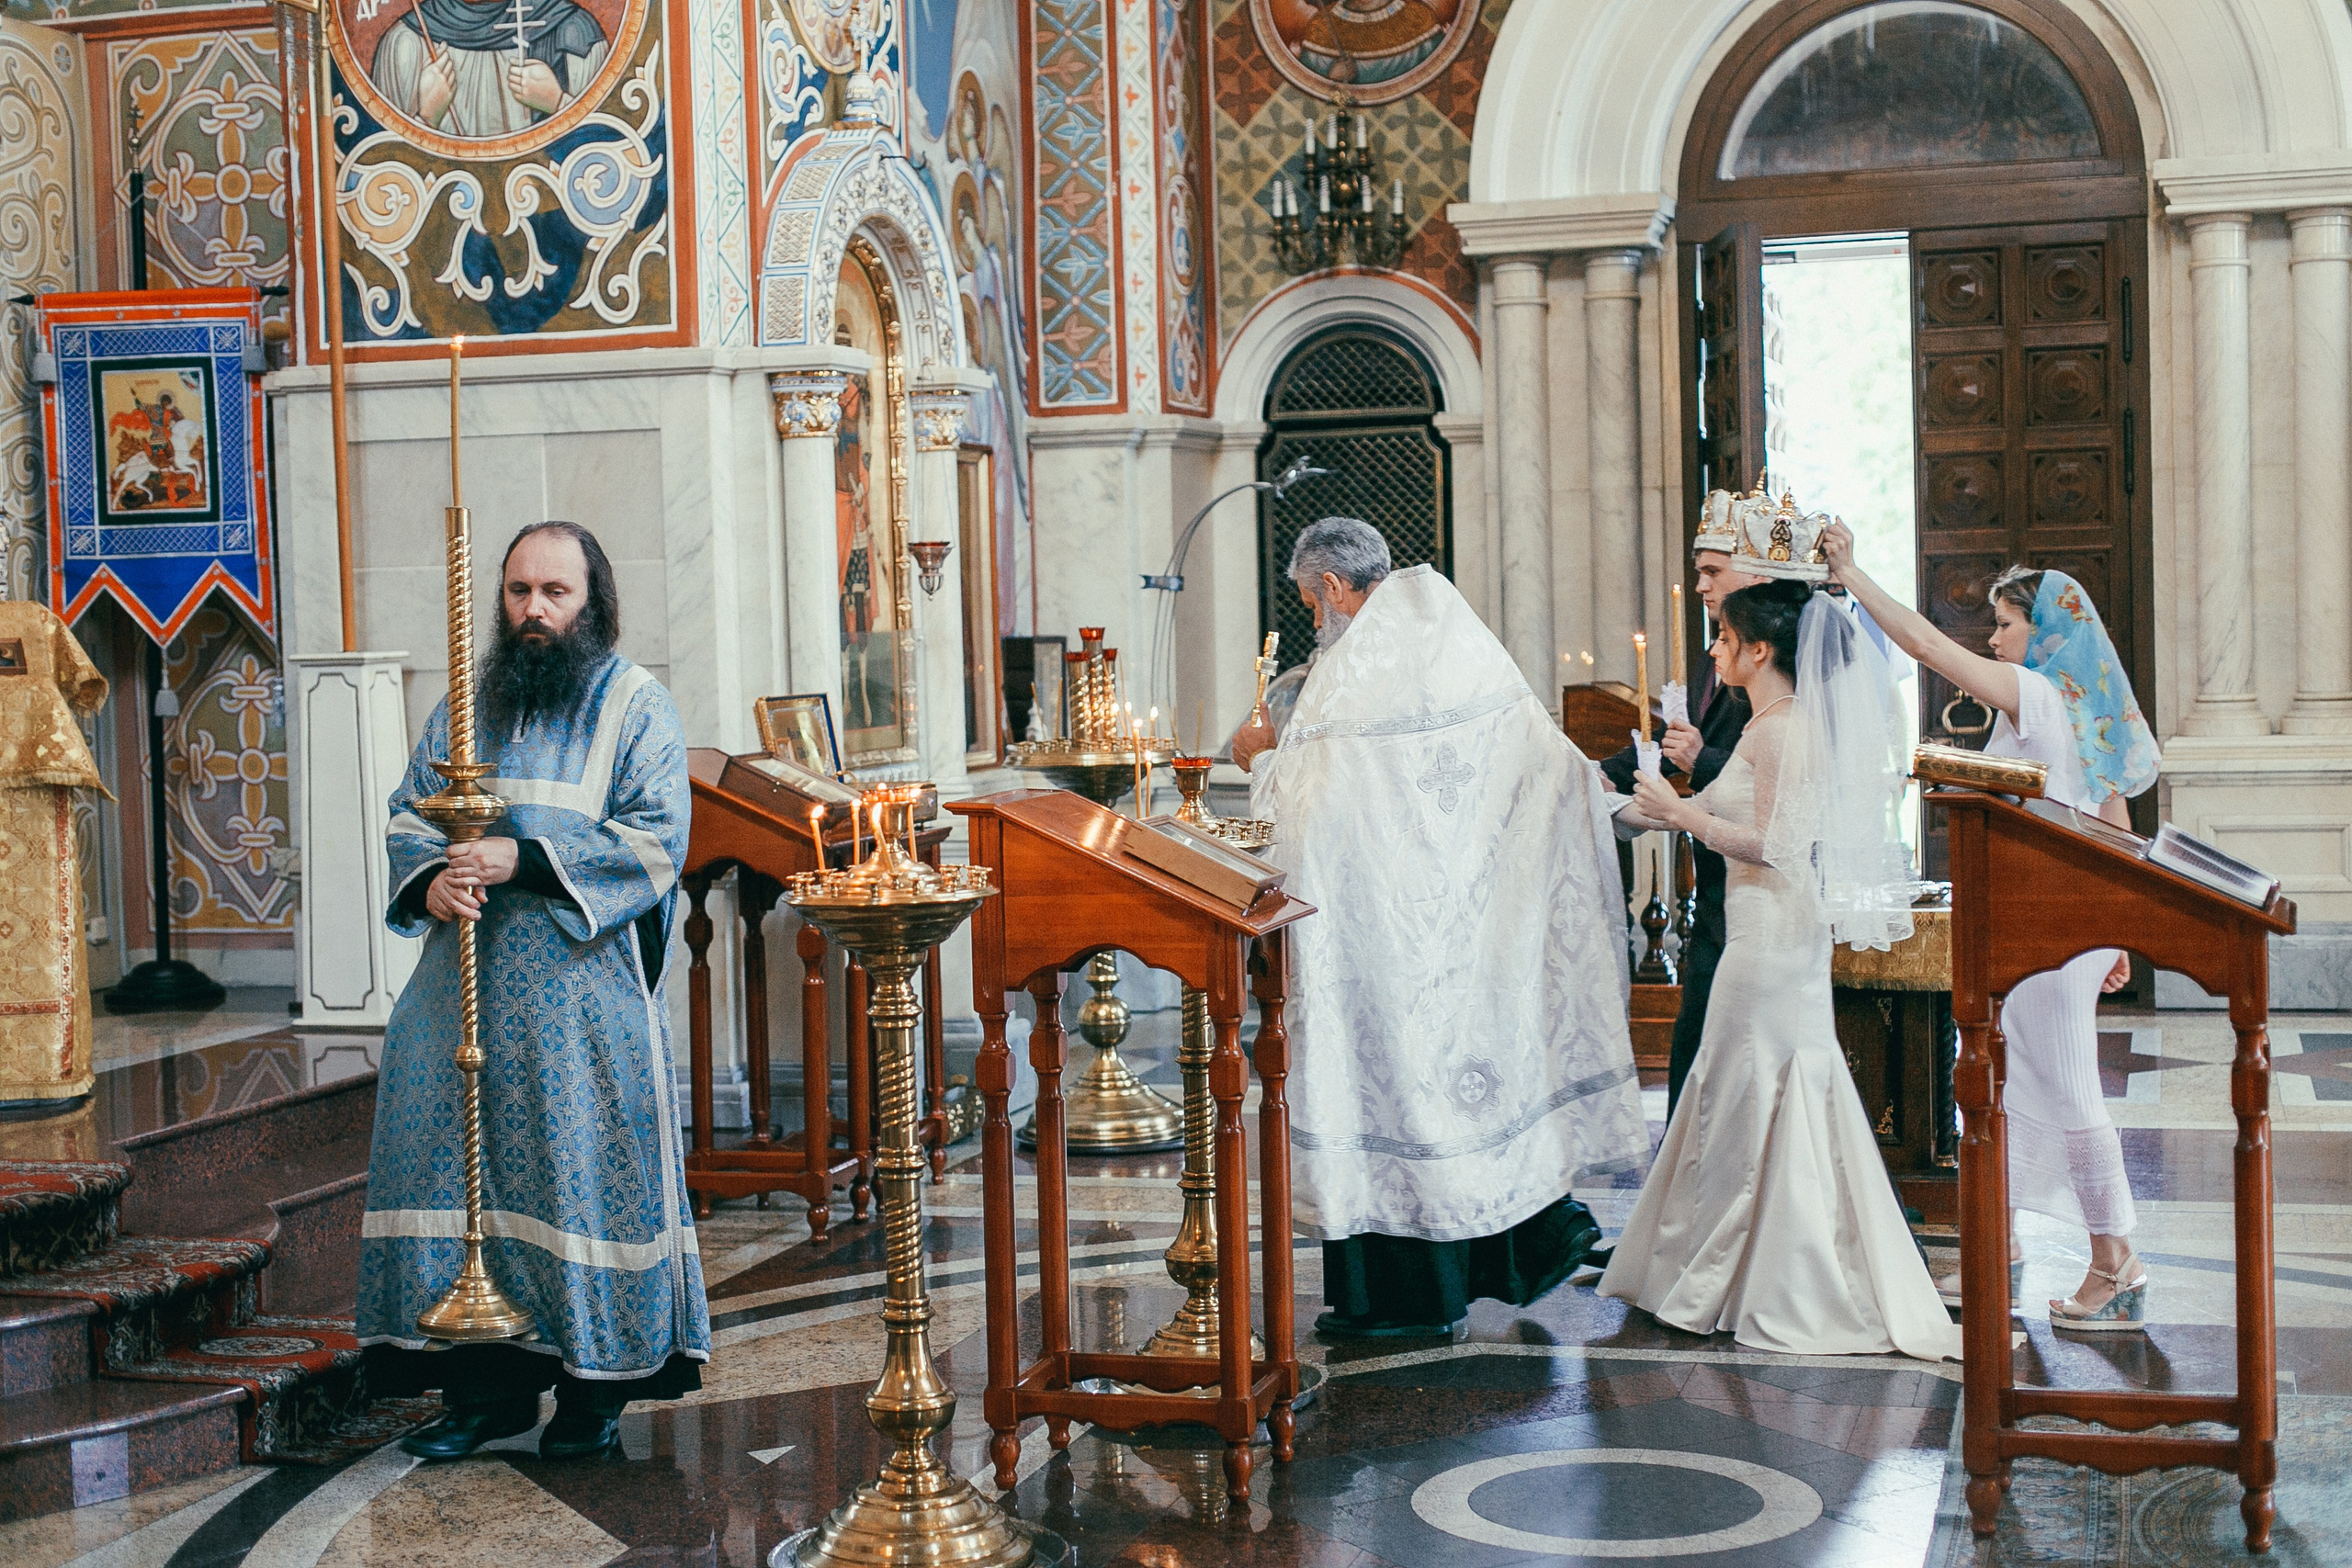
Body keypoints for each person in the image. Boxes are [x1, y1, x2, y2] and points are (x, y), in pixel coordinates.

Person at [1231, 518, 1646, 1337]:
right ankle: (1519, 1251)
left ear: (1334, 590)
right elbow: (1549, 769)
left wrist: (1257, 759)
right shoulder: (1461, 644)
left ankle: (1401, 1301)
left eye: (1313, 601)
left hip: (1382, 949)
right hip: (1468, 941)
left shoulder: (1346, 681)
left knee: (1389, 1099)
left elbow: (1303, 818)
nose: (1317, 617)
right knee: (1472, 1095)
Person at [360, 521, 709, 1459]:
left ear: (591, 601)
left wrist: (522, 856)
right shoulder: (470, 702)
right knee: (453, 1169)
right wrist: (430, 876)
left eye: (554, 593)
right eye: (518, 591)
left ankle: (592, 1394)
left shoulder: (637, 705)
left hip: (577, 999)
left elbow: (656, 839)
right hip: (461, 990)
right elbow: (406, 810)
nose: (533, 612)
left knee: (578, 1179)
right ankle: (484, 1390)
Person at [1600, 502, 1959, 1361]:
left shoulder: (1789, 728)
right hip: (1754, 947)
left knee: (1761, 1100)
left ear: (1759, 647)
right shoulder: (1763, 724)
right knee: (1733, 1101)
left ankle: (1765, 1272)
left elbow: (1782, 847)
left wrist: (1681, 812)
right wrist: (1649, 807)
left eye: (1725, 637)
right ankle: (1721, 1263)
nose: (1713, 647)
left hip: (1770, 948)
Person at [1824, 522, 2159, 1330]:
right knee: (2000, 1088)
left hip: (2047, 925)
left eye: (2007, 623)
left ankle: (2117, 1262)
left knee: (2071, 1088)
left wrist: (1855, 576)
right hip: (2054, 923)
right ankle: (1996, 1252)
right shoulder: (2078, 712)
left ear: (2045, 634)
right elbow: (2114, 819)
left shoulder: (2040, 695)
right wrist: (2113, 933)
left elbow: (1931, 649)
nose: (1995, 636)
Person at [1596, 485, 1772, 1117]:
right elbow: (1675, 747)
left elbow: (1782, 782)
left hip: (1761, 904)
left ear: (1754, 573)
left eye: (1711, 571)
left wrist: (1698, 776)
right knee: (1694, 1069)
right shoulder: (1716, 658)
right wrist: (1596, 775)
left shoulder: (1785, 664)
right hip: (1715, 902)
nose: (1700, 586)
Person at [0, 598, 108, 1109]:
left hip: (35, 808)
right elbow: (82, 684)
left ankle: (46, 1070)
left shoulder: (35, 623)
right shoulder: (35, 622)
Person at [371, 0, 611, 139]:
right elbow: (385, 177)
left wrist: (559, 103)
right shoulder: (405, 43)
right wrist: (425, 120)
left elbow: (603, 156)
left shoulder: (574, 34)